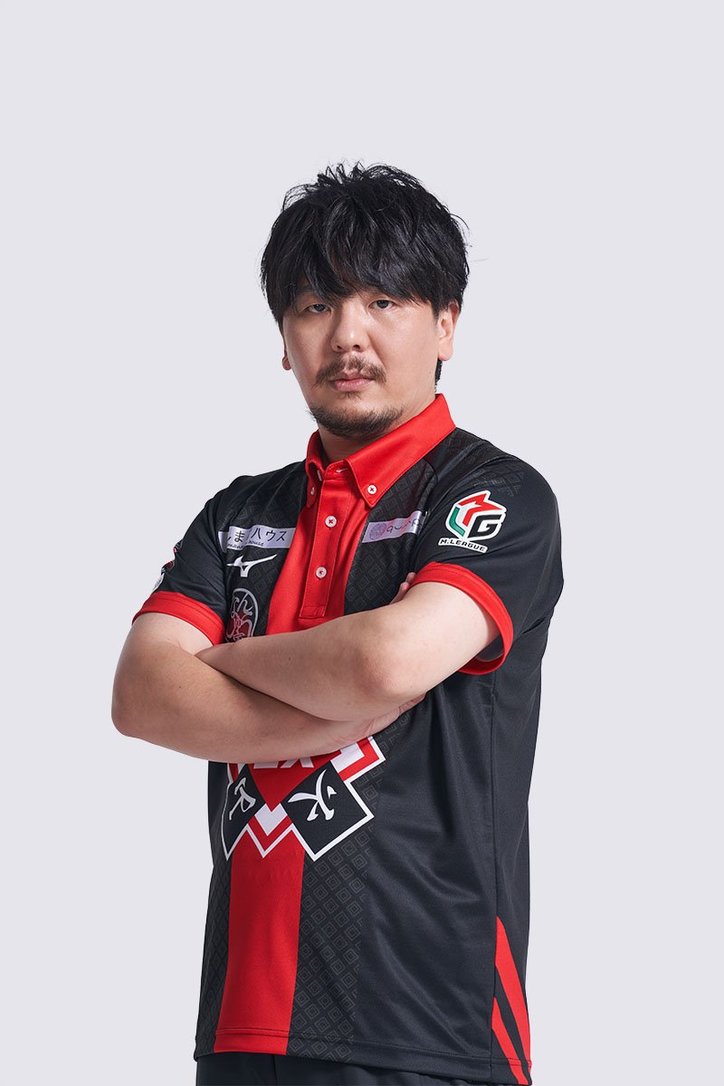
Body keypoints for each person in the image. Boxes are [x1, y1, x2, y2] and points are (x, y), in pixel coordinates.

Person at [112, 163, 563, 1086]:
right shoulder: (238, 516)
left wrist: (223, 662)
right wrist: (332, 694)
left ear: (447, 324)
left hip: (432, 1029)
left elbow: (386, 664)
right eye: (315, 305)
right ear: (284, 340)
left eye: (384, 301)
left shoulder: (494, 495)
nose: (347, 335)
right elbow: (141, 694)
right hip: (242, 1027)